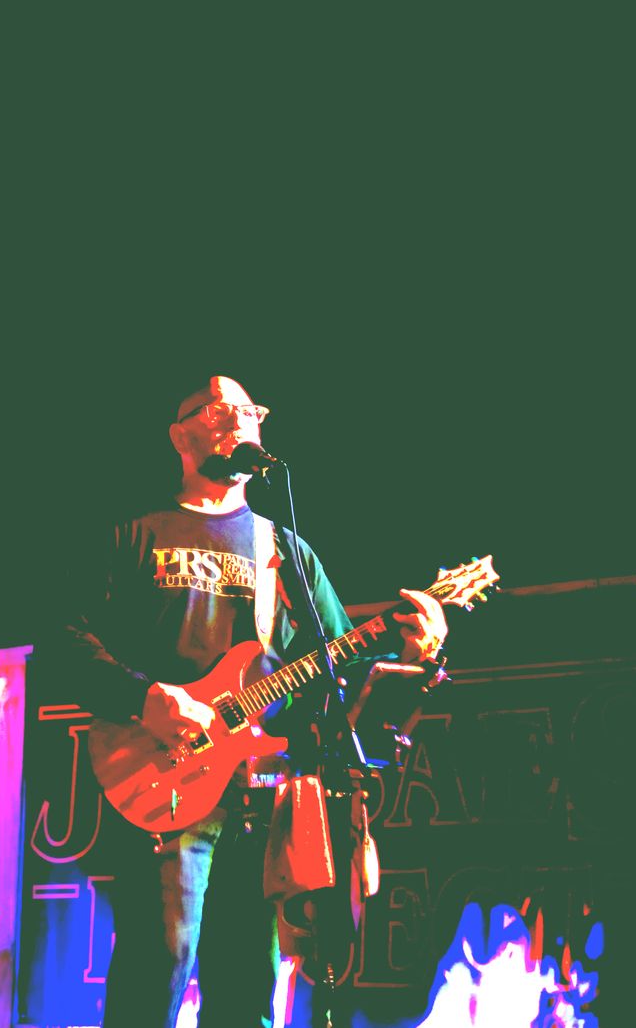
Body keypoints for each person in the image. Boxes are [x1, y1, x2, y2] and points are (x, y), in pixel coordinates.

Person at [58, 375, 448, 1028]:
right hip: (163, 781)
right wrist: (146, 698)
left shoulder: (284, 549)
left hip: (259, 794)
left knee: (248, 988)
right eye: (219, 409)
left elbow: (338, 669)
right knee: (159, 966)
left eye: (248, 410)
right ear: (180, 436)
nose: (237, 419)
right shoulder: (133, 535)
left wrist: (419, 651)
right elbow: (66, 640)